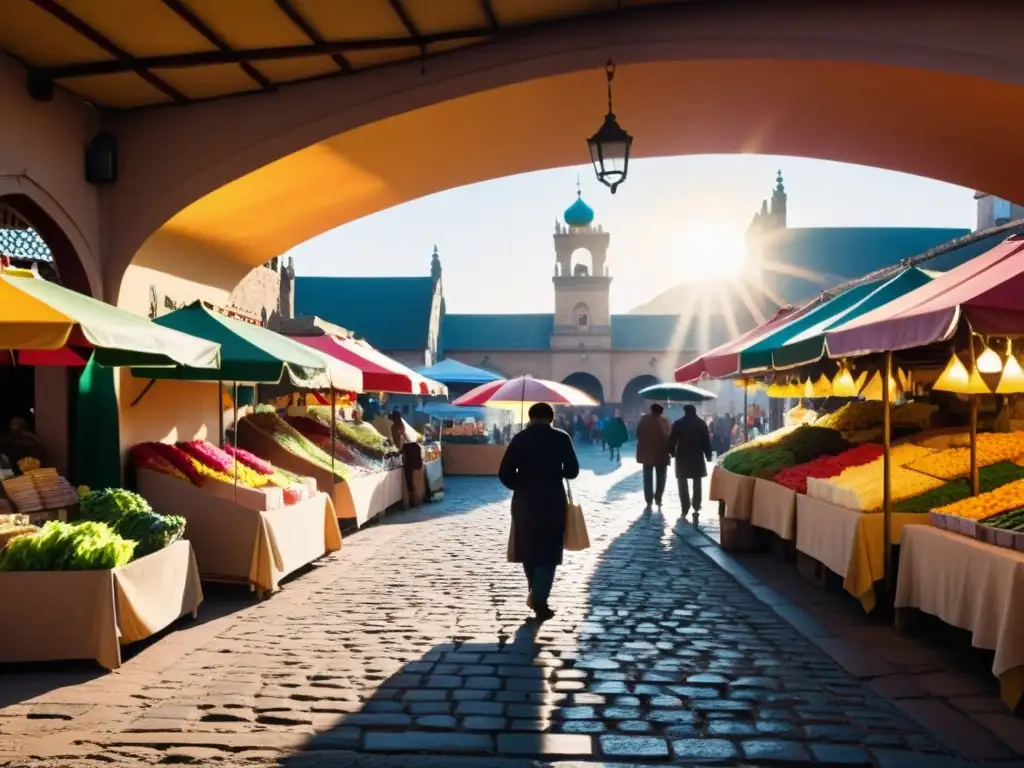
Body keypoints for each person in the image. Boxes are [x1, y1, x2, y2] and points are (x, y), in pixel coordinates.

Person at [499, 402, 580, 621]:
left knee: (528, 549)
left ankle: (536, 594)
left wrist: (521, 484)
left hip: (525, 502)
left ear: (531, 416)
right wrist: (556, 470)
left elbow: (504, 473)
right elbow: (573, 471)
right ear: (552, 418)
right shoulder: (562, 438)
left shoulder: (520, 438)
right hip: (553, 501)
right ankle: (540, 598)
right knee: (549, 551)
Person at [669, 404, 713, 520]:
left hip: (682, 455)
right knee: (697, 480)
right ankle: (696, 505)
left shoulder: (678, 423)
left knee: (682, 482)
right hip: (696, 454)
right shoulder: (701, 423)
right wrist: (708, 455)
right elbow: (706, 441)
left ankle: (685, 506)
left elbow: (672, 439)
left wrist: (672, 453)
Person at [636, 403, 671, 511]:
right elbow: (669, 436)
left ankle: (649, 500)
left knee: (647, 478)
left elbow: (638, 433)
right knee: (661, 478)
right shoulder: (665, 421)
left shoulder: (644, 419)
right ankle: (658, 498)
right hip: (661, 454)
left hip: (646, 453)